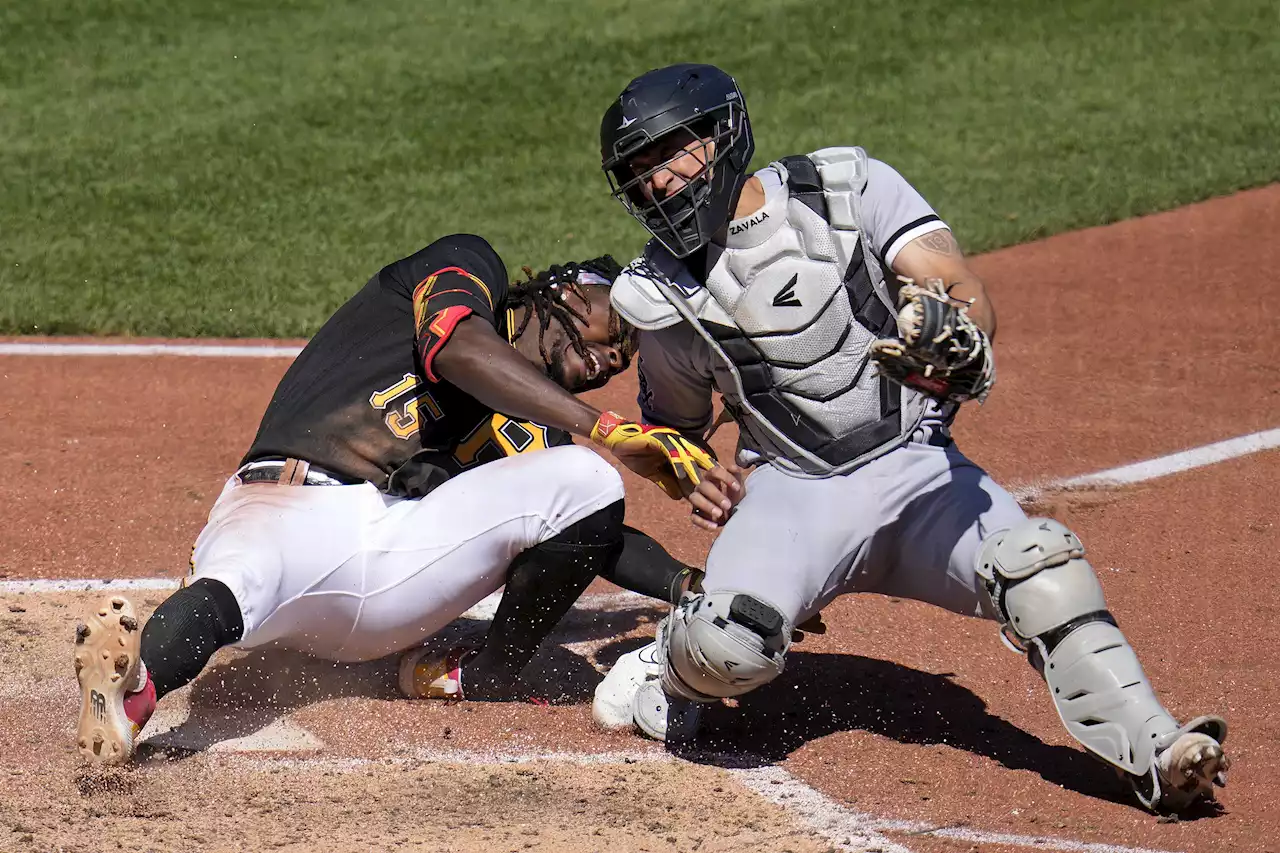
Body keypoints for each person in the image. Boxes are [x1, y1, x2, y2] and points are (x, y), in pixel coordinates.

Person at [588, 63, 1230, 813]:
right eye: (637, 175)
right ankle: (664, 665)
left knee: (1041, 566)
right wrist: (684, 467)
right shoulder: (660, 295)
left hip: (921, 473)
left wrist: (957, 334)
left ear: (721, 134)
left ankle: (1155, 751)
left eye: (668, 156)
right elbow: (675, 429)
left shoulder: (845, 191)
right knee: (731, 644)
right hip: (793, 493)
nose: (657, 185)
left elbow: (957, 287)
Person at [73, 233, 724, 766]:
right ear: (566, 290)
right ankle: (127, 698)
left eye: (627, 356)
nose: (617, 356)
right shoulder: (468, 267)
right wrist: (606, 426)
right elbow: (457, 348)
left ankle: (487, 671)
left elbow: (596, 532)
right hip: (272, 515)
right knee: (230, 585)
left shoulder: (539, 435)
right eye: (617, 325)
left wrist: (701, 585)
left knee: (589, 481)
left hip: (386, 575)